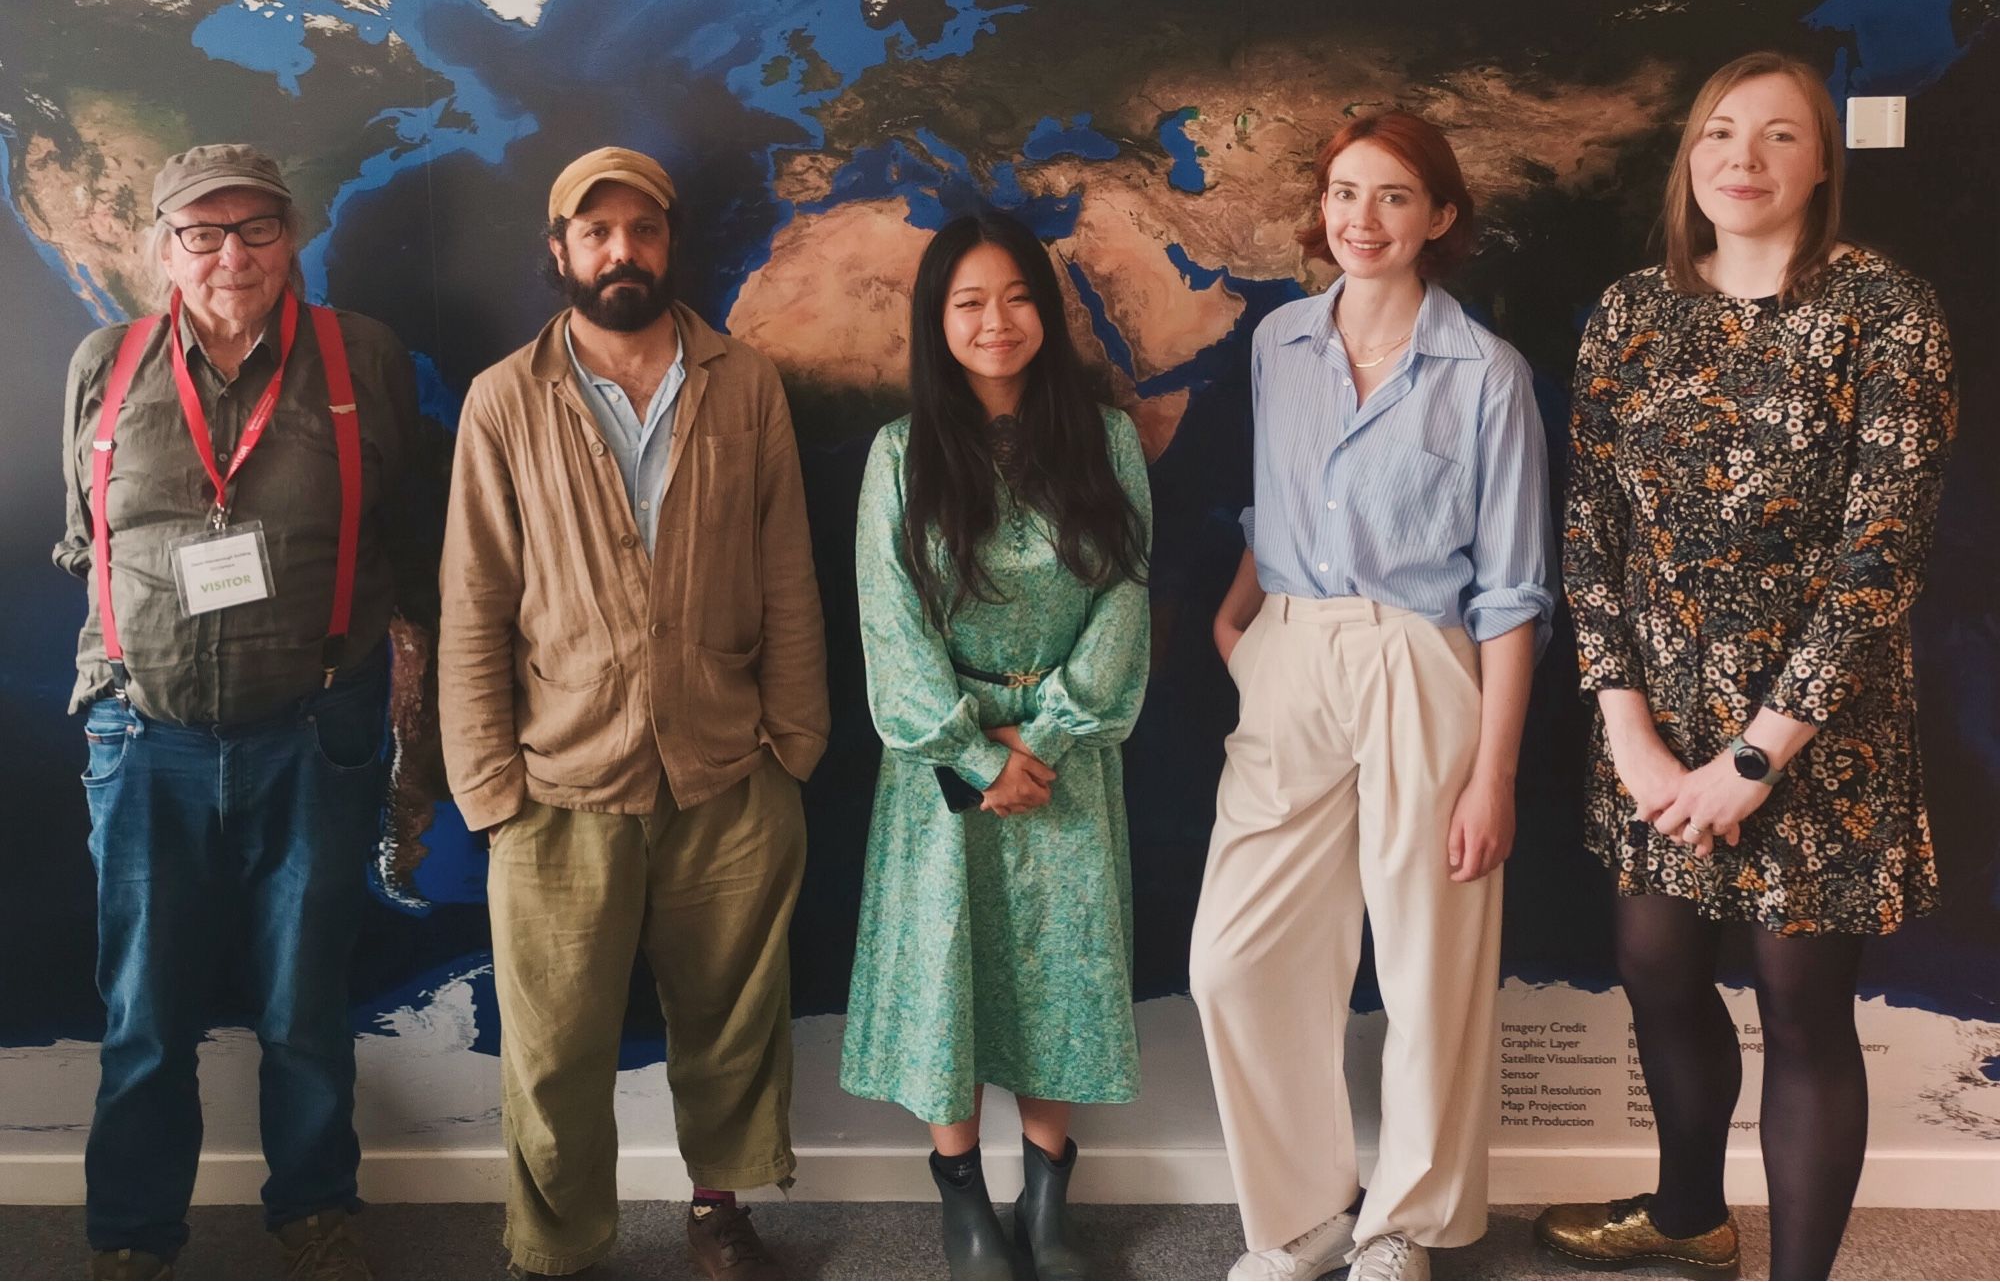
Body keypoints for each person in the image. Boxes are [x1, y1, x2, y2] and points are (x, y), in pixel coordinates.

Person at [1536, 52, 1956, 1282]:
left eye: (1780, 135)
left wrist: (1755, 756)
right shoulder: (1628, 311)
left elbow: (1880, 551)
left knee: (1798, 1006)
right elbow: (1589, 530)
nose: (1744, 157)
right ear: (1688, 158)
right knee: (1654, 967)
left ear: (1820, 163)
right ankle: (1685, 1215)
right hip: (1654, 728)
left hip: (1822, 732)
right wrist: (1627, 731)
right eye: (1720, 132)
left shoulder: (1884, 309)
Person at [437, 147, 829, 1281]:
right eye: (596, 231)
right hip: (559, 780)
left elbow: (785, 569)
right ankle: (556, 1246)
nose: (622, 251)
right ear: (558, 250)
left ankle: (717, 1211)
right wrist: (489, 787)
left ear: (668, 242)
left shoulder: (741, 380)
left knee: (731, 1022)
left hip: (728, 766)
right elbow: (474, 599)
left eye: (641, 230)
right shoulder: (504, 398)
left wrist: (793, 742)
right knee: (555, 1048)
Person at [54, 143, 440, 1281]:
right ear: (162, 248)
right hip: (144, 738)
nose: (232, 254)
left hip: (316, 731)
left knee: (305, 1004)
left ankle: (313, 1213)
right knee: (143, 1017)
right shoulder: (103, 362)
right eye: (202, 233)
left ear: (294, 238)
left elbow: (407, 537)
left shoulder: (358, 354)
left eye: (256, 228)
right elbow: (83, 532)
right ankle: (132, 1232)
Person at [1188, 111, 1555, 1282]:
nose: (1360, 218)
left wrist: (1491, 771)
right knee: (1234, 958)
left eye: (1391, 196)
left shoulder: (1485, 373)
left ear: (1437, 217)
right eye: (1344, 192)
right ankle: (1303, 1210)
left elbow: (1510, 591)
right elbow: (1276, 497)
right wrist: (1239, 618)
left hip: (1422, 659)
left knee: (1426, 957)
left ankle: (1407, 1223)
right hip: (1289, 651)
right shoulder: (1277, 342)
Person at [838, 210, 1153, 1281]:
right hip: (944, 770)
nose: (995, 321)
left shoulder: (1104, 440)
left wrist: (1052, 733)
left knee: (1057, 974)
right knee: (951, 975)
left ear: (1044, 311)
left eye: (1015, 296)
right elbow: (888, 626)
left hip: (1070, 755)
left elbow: (1123, 598)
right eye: (967, 301)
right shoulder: (898, 454)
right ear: (937, 320)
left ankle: (1050, 1203)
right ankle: (964, 1201)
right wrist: (976, 755)